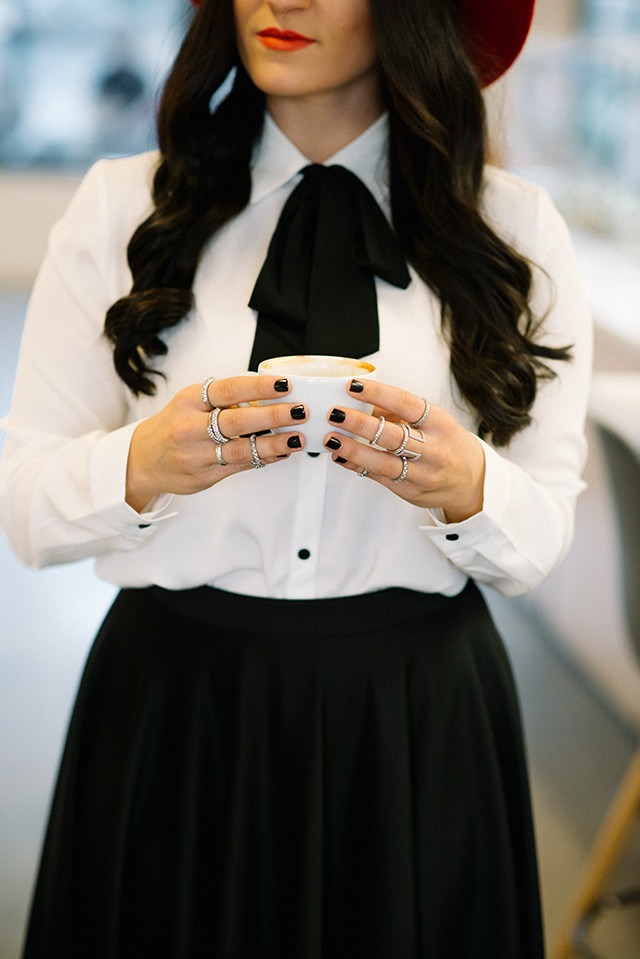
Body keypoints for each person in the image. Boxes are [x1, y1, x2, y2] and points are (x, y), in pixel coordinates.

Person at [0, 0, 592, 955]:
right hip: (175, 712)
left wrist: (465, 482)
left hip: (415, 720)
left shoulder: (513, 227)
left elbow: (539, 541)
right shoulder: (123, 207)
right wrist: (140, 465)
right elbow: (25, 508)